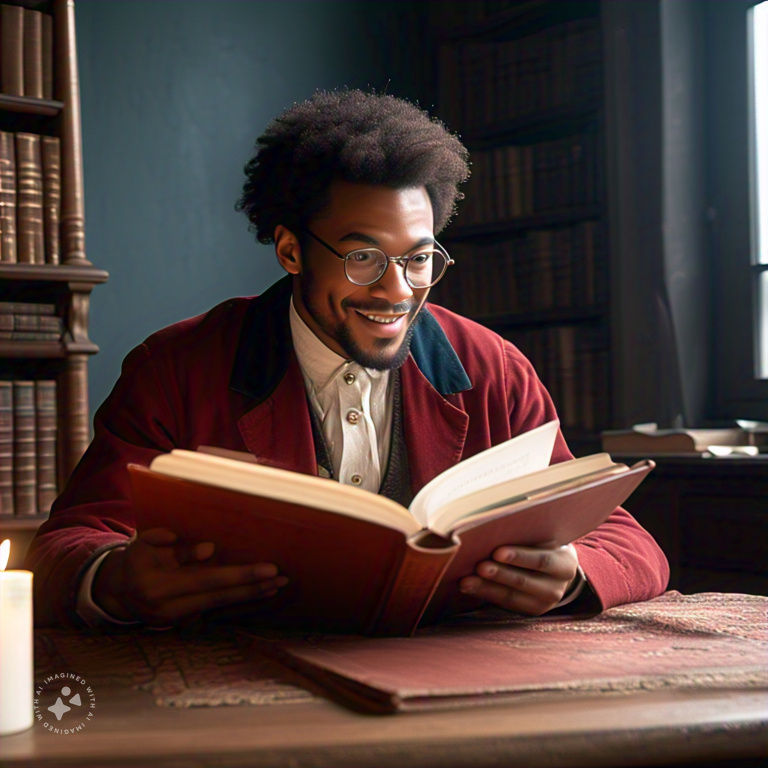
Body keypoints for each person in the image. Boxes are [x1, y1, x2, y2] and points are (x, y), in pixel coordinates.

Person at [26, 89, 669, 629]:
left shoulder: (494, 366)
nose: (396, 290)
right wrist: (115, 582)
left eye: (418, 258)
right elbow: (64, 547)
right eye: (362, 257)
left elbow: (626, 540)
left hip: (455, 690)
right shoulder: (173, 368)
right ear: (289, 250)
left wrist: (572, 575)